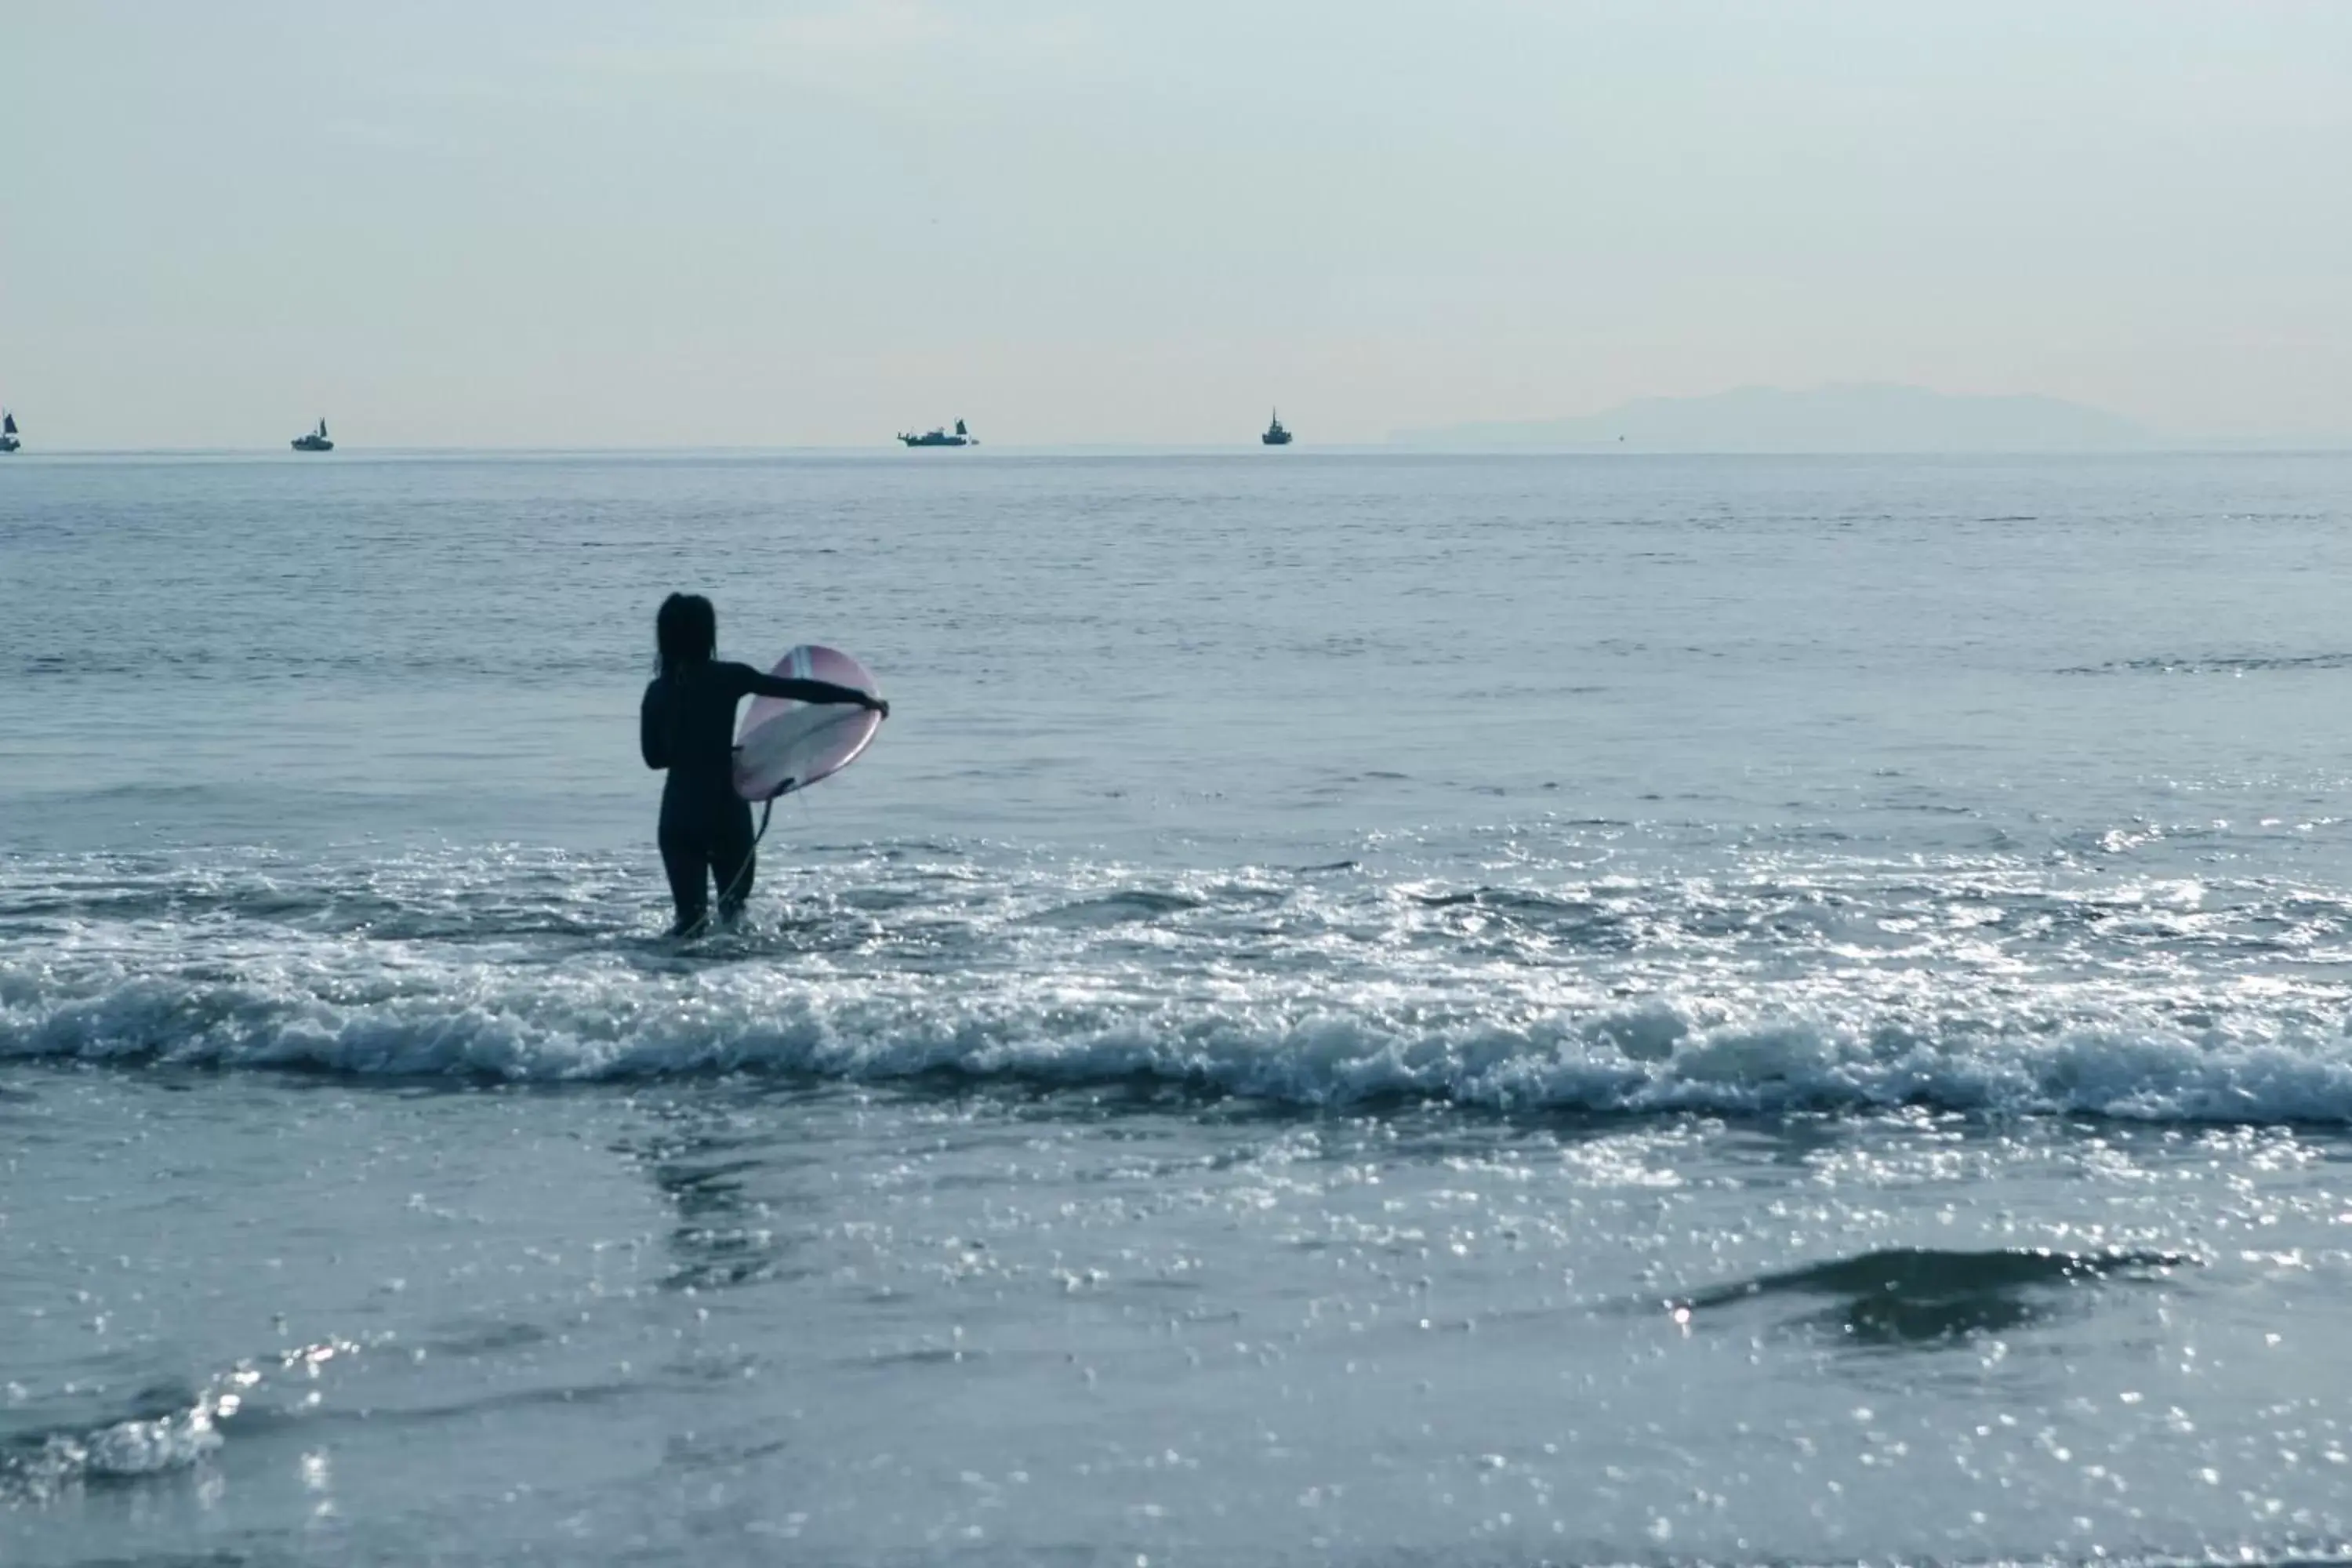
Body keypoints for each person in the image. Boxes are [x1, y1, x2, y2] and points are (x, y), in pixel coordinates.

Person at [640, 593, 887, 935]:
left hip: (678, 815)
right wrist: (859, 698)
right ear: (708, 635)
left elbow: (653, 760)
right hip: (724, 811)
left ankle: (674, 979)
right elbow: (798, 690)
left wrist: (687, 750)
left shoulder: (656, 692)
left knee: (688, 922)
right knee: (734, 915)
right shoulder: (729, 677)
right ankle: (728, 982)